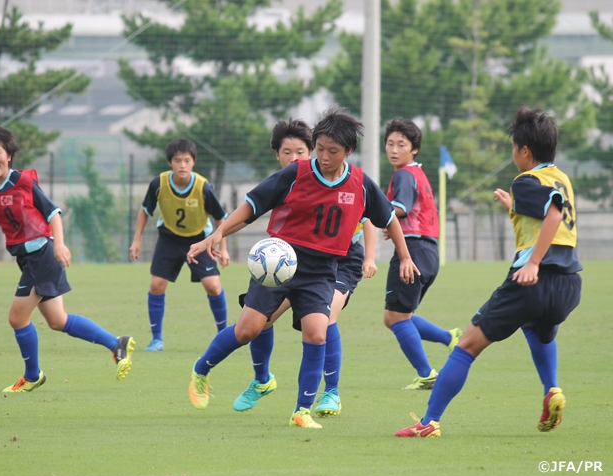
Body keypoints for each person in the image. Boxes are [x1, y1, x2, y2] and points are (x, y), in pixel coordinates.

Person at [186, 107, 420, 429]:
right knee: (248, 330)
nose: (324, 156)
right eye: (320, 148)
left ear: (348, 152)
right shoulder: (295, 173)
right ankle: (201, 370)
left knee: (316, 333)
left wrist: (405, 256)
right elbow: (252, 206)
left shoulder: (361, 184)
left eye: (332, 151)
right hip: (279, 261)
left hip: (323, 269)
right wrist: (217, 233)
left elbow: (389, 219)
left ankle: (302, 410)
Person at [395, 106, 582, 438]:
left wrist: (534, 263)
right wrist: (512, 208)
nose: (513, 155)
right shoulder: (561, 178)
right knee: (535, 327)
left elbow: (552, 215)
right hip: (569, 284)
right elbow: (555, 214)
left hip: (534, 279)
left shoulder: (526, 180)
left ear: (525, 151)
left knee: (466, 345)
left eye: (514, 148)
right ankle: (552, 389)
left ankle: (429, 423)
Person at [232, 118, 378, 418]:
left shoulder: (348, 180)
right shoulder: (296, 177)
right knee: (263, 321)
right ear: (278, 155)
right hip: (299, 259)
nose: (296, 158)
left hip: (342, 260)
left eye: (301, 151)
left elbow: (371, 218)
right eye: (288, 152)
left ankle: (331, 392)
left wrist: (370, 257)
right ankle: (262, 380)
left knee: (325, 319)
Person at [0, 126, 135, 392]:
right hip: (27, 260)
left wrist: (59, 244)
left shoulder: (23, 181)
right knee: (57, 320)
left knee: (17, 318)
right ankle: (116, 343)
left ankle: (33, 375)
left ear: (9, 155)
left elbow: (53, 213)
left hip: (42, 256)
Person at [382, 118, 463, 390]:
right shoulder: (418, 173)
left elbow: (401, 208)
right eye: (390, 144)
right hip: (429, 252)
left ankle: (426, 373)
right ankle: (448, 337)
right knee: (396, 316)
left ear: (414, 149)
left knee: (395, 318)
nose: (394, 150)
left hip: (412, 251)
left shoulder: (403, 174)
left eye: (401, 145)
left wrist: (373, 215)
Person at [129, 138, 229, 351]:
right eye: (177, 160)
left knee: (213, 286)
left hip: (200, 240)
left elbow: (222, 219)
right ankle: (157, 340)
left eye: (186, 160)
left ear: (193, 162)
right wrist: (136, 240)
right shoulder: (159, 184)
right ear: (170, 163)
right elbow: (145, 211)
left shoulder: (203, 187)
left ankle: (225, 336)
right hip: (169, 239)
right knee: (156, 285)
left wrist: (223, 248)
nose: (182, 165)